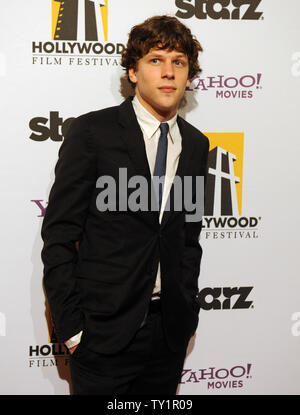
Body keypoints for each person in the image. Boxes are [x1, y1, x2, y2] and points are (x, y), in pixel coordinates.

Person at [41, 15, 209, 395]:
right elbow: (59, 236)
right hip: (102, 337)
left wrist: (187, 315)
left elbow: (189, 239)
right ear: (133, 72)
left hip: (167, 335)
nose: (168, 72)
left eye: (178, 62)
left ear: (188, 74)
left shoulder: (197, 145)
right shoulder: (92, 133)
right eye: (155, 60)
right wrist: (71, 328)